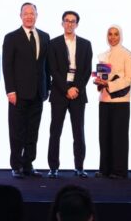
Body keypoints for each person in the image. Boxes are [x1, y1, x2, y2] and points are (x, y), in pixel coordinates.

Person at [2, 2, 50, 178]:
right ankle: (16, 166)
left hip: (38, 93)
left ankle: (28, 164)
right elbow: (7, 66)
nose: (29, 16)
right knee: (17, 131)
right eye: (26, 13)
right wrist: (10, 90)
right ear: (20, 16)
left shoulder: (44, 36)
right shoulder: (11, 37)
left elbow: (46, 65)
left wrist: (47, 88)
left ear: (37, 15)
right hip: (18, 94)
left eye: (32, 13)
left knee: (33, 131)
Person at [47, 11, 93, 178]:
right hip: (59, 92)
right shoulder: (53, 43)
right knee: (55, 131)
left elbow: (87, 70)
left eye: (73, 21)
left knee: (78, 131)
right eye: (67, 21)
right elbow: (52, 69)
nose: (69, 24)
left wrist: (76, 89)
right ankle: (53, 168)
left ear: (77, 25)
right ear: (62, 23)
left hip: (78, 93)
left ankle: (79, 167)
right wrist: (66, 89)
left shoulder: (86, 44)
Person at [94, 25, 131, 179]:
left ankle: (119, 170)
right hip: (104, 100)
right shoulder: (103, 55)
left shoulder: (127, 54)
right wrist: (99, 82)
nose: (112, 37)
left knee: (119, 137)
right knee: (104, 136)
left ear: (120, 36)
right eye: (110, 34)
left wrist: (109, 84)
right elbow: (102, 76)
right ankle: (104, 169)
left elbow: (130, 78)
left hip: (120, 101)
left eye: (116, 34)